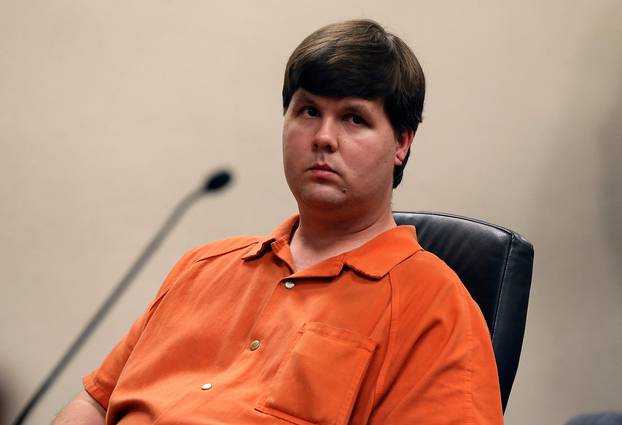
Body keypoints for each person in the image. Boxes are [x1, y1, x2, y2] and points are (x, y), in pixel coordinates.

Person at [53, 19, 503, 424]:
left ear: (401, 143)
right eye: (308, 111)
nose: (324, 138)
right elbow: (94, 403)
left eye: (353, 118)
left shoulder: (437, 309)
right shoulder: (203, 267)